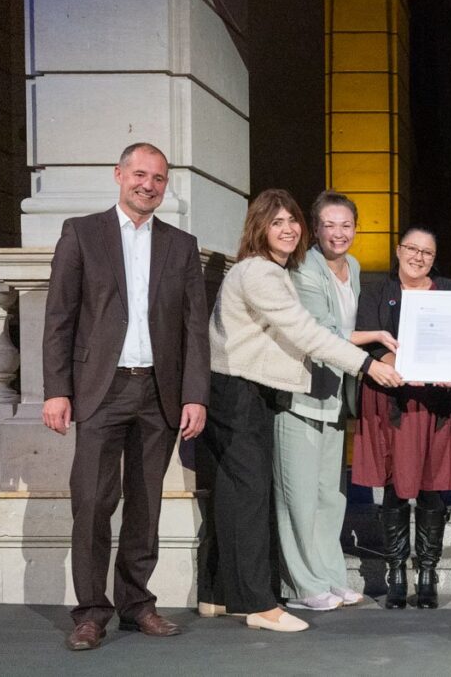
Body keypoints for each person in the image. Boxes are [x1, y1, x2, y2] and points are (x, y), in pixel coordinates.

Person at [198, 189, 402, 633]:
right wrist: (368, 365)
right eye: (277, 222)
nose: (288, 229)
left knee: (234, 497)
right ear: (259, 228)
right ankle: (258, 605)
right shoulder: (260, 273)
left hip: (246, 387)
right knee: (252, 499)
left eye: (292, 221)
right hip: (237, 388)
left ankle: (217, 595)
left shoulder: (270, 271)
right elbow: (309, 334)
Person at [42, 142, 210, 650]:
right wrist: (56, 391)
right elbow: (59, 319)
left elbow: (194, 329)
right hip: (101, 390)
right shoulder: (82, 232)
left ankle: (137, 604)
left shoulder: (181, 245)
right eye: (140, 174)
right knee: (92, 503)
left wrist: (194, 395)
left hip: (158, 392)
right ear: (118, 175)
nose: (148, 185)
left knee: (146, 505)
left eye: (158, 178)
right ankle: (91, 612)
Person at [353, 227, 451, 610]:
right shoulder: (376, 292)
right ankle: (397, 570)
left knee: (432, 484)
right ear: (398, 251)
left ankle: (428, 572)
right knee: (395, 485)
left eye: (428, 253)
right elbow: (367, 341)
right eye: (412, 249)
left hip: (437, 402)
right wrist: (396, 363)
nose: (419, 257)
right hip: (393, 400)